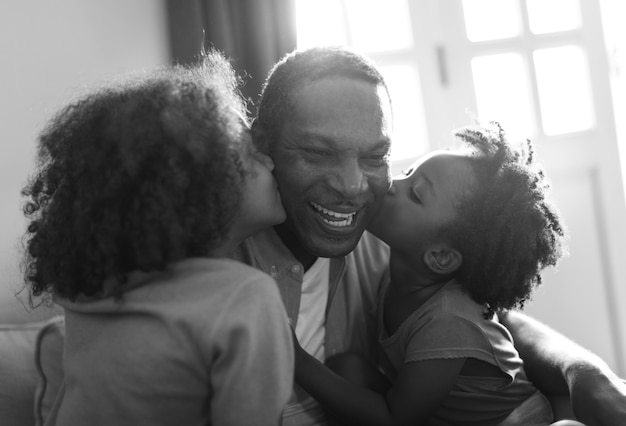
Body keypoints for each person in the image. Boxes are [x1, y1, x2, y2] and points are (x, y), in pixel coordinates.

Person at [235, 45, 626, 426]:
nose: (354, 187)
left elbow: (487, 315)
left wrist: (586, 374)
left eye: (375, 158)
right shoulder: (217, 256)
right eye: (319, 152)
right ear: (262, 145)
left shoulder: (380, 236)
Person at [21, 50, 293, 426]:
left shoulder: (90, 291)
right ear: (203, 189)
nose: (271, 162)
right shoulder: (242, 298)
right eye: (251, 157)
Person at [291, 122, 587, 426]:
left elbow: (394, 417)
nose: (392, 184)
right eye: (407, 173)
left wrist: (297, 360)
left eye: (415, 194)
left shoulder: (447, 322)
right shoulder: (398, 276)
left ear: (440, 257)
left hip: (519, 422)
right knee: (347, 368)